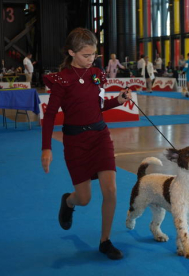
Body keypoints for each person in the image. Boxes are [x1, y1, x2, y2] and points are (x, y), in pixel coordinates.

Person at [41, 27, 132, 260]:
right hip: (75, 142)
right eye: (85, 55)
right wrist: (46, 148)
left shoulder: (97, 74)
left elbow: (97, 106)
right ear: (71, 52)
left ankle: (105, 241)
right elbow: (50, 115)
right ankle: (68, 201)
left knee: (110, 190)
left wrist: (117, 101)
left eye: (93, 55)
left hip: (100, 136)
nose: (91, 60)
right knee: (84, 199)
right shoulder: (62, 79)